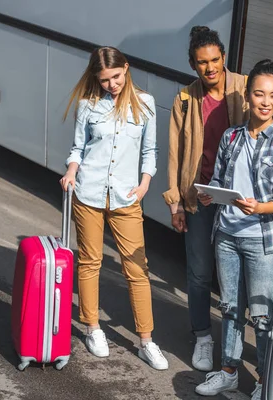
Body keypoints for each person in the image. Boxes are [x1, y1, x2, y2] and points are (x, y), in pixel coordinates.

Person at [194, 60, 273, 399]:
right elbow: (219, 180)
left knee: (262, 315)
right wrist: (210, 194)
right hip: (226, 235)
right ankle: (228, 370)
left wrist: (261, 207)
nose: (266, 102)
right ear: (247, 96)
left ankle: (264, 381)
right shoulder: (231, 136)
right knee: (229, 307)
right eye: (259, 94)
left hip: (262, 241)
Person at [59, 46, 168, 370]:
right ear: (97, 78)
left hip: (126, 196)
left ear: (127, 69)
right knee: (89, 262)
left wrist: (145, 183)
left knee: (137, 269)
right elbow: (78, 147)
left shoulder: (145, 104)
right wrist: (70, 171)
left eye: (117, 77)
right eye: (105, 80)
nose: (112, 84)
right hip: (89, 193)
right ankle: (92, 327)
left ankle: (146, 341)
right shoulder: (87, 106)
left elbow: (150, 151)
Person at [162, 25, 248, 372]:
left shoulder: (244, 89)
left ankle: (232, 344)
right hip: (200, 198)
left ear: (223, 57)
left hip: (237, 199)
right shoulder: (185, 99)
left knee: (234, 276)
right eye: (202, 63)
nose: (210, 68)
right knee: (199, 273)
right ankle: (202, 336)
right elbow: (174, 152)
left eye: (215, 60)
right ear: (193, 64)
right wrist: (175, 202)